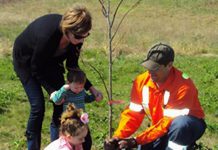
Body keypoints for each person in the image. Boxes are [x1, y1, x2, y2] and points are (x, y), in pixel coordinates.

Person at [12, 5, 103, 150]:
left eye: (86, 35)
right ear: (67, 30)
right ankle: (32, 146)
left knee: (61, 104)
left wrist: (91, 88)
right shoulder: (47, 36)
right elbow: (36, 67)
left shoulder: (76, 40)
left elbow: (72, 66)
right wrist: (52, 91)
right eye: (79, 37)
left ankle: (60, 145)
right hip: (27, 62)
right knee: (38, 106)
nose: (82, 40)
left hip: (51, 62)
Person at [104, 43, 206, 150]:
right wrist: (119, 136)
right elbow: (133, 115)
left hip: (188, 125)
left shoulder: (183, 86)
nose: (150, 72)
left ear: (169, 65)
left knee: (181, 126)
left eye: (155, 68)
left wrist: (135, 141)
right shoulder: (141, 81)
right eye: (149, 67)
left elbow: (168, 122)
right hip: (160, 126)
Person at [50, 69, 102, 149]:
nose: (79, 90)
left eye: (81, 87)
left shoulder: (81, 92)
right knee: (71, 139)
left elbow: (87, 98)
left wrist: (95, 96)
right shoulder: (66, 92)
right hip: (70, 121)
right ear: (68, 83)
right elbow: (56, 99)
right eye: (76, 88)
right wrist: (64, 88)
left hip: (81, 120)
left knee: (85, 140)